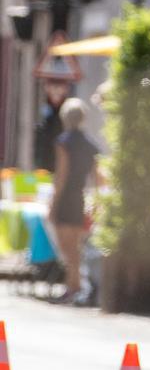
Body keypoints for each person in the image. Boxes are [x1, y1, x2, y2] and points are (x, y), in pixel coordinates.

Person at [49, 98, 100, 304]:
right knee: (76, 246)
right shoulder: (90, 145)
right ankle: (75, 286)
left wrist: (53, 204)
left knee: (66, 246)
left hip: (66, 196)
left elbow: (61, 175)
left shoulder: (63, 142)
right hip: (79, 195)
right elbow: (96, 176)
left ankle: (73, 287)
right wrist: (96, 199)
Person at [35, 80, 71, 172]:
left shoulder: (68, 109)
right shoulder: (41, 104)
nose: (56, 91)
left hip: (60, 159)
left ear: (65, 89)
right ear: (47, 88)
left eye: (59, 88)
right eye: (53, 87)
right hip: (44, 159)